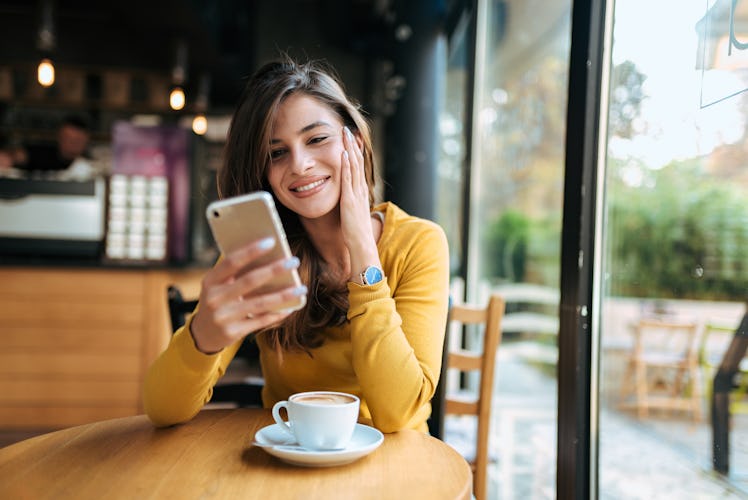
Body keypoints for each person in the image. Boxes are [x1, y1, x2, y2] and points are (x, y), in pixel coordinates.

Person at [143, 56, 450, 434]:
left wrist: (362, 253)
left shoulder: (418, 243)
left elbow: (397, 414)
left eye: (317, 139)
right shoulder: (263, 252)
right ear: (263, 171)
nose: (300, 165)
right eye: (277, 152)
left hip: (393, 468)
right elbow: (161, 409)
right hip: (290, 463)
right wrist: (204, 333)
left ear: (352, 140)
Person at [5, 115, 90, 171]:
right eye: (68, 138)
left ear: (86, 140)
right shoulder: (42, 154)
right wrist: (9, 157)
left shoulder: (92, 164)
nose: (73, 143)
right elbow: (19, 156)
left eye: (78, 140)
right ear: (59, 138)